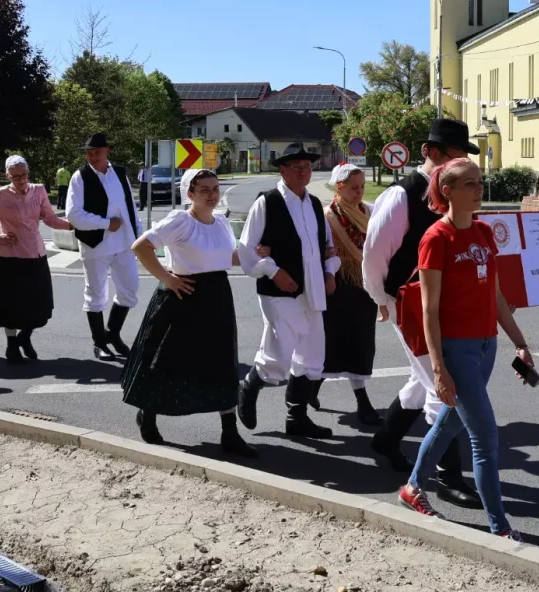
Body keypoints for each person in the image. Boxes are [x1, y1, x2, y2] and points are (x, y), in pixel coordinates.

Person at [397, 158, 533, 542]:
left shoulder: (484, 233)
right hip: (456, 350)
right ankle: (500, 527)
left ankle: (412, 487)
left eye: (480, 181)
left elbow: (497, 297)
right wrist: (439, 368)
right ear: (447, 192)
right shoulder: (435, 239)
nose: (479, 189)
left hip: (486, 346)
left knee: (449, 422)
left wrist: (520, 343)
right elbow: (430, 310)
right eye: (470, 184)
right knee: (485, 438)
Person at [362, 117, 481, 510]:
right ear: (430, 153)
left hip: (448, 302)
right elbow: (375, 255)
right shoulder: (402, 196)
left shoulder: (456, 196)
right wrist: (384, 298)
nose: (459, 163)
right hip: (408, 302)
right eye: (453, 156)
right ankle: (448, 477)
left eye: (464, 157)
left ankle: (385, 440)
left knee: (421, 381)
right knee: (442, 384)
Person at [124, 168, 260, 457]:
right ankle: (148, 413)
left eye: (215, 188)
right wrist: (168, 278)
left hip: (217, 295)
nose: (212, 194)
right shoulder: (180, 221)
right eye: (205, 190)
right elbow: (141, 247)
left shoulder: (222, 222)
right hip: (182, 295)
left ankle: (229, 432)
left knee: (222, 362)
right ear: (190, 194)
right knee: (167, 361)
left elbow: (227, 257)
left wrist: (256, 253)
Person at [237, 142, 340, 439]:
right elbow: (247, 250)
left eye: (307, 167)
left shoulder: (314, 206)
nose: (303, 172)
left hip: (313, 292)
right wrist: (274, 270)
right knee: (279, 353)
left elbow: (327, 248)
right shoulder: (267, 202)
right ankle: (249, 386)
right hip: (278, 292)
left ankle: (296, 417)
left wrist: (329, 272)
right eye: (296, 167)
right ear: (282, 170)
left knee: (311, 354)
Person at [0, 155, 73, 364]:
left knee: (38, 303)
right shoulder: (0, 195)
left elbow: (50, 219)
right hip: (10, 258)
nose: (21, 179)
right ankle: (11, 346)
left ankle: (24, 337)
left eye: (24, 174)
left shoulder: (39, 190)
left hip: (35, 254)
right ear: (8, 175)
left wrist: (72, 225)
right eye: (15, 176)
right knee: (11, 306)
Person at [308, 163, 381, 426]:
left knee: (360, 343)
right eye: (354, 188)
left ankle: (360, 400)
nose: (359, 192)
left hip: (363, 288)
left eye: (362, 186)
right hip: (337, 287)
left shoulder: (370, 211)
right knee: (332, 344)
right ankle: (319, 391)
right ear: (340, 188)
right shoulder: (328, 218)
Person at [67, 133, 142, 361]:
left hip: (124, 244)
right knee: (96, 293)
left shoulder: (119, 173)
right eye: (89, 152)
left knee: (130, 289)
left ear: (108, 150)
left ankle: (113, 334)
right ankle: (99, 343)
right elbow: (73, 215)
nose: (92, 156)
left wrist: (138, 239)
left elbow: (131, 207)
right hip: (95, 245)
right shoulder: (79, 177)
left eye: (97, 152)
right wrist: (106, 223)